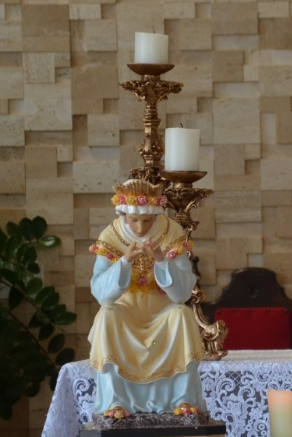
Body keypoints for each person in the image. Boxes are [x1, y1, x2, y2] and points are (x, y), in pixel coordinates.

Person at [87, 179, 206, 419]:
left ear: (156, 216)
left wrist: (162, 261)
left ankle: (181, 399)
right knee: (106, 316)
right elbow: (101, 294)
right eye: (134, 221)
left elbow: (182, 294)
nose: (140, 228)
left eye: (146, 221)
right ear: (124, 215)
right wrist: (124, 262)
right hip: (125, 314)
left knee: (181, 314)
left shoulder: (171, 232)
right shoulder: (111, 235)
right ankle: (114, 400)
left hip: (161, 313)